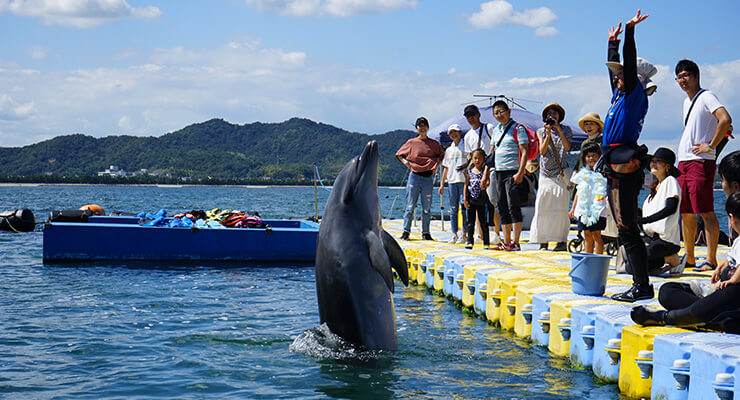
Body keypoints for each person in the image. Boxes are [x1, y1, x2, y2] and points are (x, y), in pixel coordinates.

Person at [631, 192, 740, 333]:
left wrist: (733, 280)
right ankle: (713, 319)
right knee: (667, 291)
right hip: (724, 303)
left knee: (733, 292)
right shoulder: (737, 241)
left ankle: (664, 317)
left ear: (731, 219)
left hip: (733, 296)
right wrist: (725, 264)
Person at [600, 10, 653, 302]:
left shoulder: (634, 93)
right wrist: (611, 42)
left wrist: (630, 34)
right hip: (615, 162)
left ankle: (641, 286)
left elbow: (628, 66)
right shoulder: (618, 96)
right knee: (625, 227)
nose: (618, 76)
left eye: (622, 74)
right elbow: (613, 71)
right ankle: (640, 284)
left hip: (623, 165)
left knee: (627, 228)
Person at [674, 59, 734, 272]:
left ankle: (710, 259)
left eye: (686, 75)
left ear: (696, 76)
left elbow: (725, 119)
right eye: (679, 77)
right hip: (684, 161)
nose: (682, 80)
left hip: (701, 161)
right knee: (686, 212)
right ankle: (689, 257)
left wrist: (710, 146)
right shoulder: (686, 102)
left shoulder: (706, 96)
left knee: (706, 210)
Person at [530, 103, 572, 251]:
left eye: (555, 114)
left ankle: (561, 240)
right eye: (549, 114)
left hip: (560, 174)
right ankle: (543, 240)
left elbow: (567, 147)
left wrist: (559, 130)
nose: (552, 116)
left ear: (559, 116)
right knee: (543, 206)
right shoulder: (540, 131)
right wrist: (548, 134)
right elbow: (542, 151)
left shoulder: (566, 130)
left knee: (560, 207)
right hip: (545, 173)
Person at [396, 117, 445, 241]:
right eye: (420, 126)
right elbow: (399, 154)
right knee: (410, 206)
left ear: (428, 127)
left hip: (428, 177)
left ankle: (426, 232)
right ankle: (406, 231)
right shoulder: (412, 142)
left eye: (424, 126)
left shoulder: (433, 144)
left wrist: (436, 166)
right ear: (416, 128)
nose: (422, 128)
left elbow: (442, 155)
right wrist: (406, 162)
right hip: (414, 176)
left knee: (426, 207)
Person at [491, 100, 529, 251]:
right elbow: (492, 152)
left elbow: (525, 151)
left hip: (513, 171)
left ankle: (516, 242)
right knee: (502, 206)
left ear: (509, 111)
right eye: (496, 113)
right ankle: (506, 241)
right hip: (499, 171)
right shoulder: (496, 130)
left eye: (502, 111)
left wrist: (520, 172)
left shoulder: (518, 128)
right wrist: (487, 173)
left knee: (514, 206)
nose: (499, 115)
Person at [639, 148, 682, 275]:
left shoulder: (670, 181)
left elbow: (670, 208)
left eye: (658, 161)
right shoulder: (654, 189)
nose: (653, 164)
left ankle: (671, 258)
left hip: (666, 240)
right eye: (652, 161)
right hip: (651, 238)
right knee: (633, 266)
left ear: (667, 166)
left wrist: (646, 220)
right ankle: (663, 260)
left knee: (637, 261)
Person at [463, 104, 502, 245]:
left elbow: (496, 146)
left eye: (473, 115)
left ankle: (497, 233)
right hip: (475, 172)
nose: (471, 118)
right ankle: (480, 234)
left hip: (491, 168)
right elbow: (469, 156)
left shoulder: (489, 128)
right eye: (468, 116)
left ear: (478, 114)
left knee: (493, 202)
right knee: (477, 203)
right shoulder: (467, 136)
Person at [569, 143, 607, 254]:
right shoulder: (581, 174)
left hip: (597, 209)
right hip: (584, 209)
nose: (591, 158)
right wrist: (572, 209)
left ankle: (598, 259)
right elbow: (578, 192)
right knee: (587, 235)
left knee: (596, 234)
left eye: (594, 155)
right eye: (588, 156)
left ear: (599, 156)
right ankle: (588, 258)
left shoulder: (603, 173)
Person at [439, 124, 468, 244]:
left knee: (464, 207)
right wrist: (441, 184)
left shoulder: (466, 146)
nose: (454, 134)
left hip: (463, 181)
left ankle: (464, 234)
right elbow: (446, 167)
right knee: (453, 209)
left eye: (456, 132)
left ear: (460, 133)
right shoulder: (449, 150)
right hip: (451, 181)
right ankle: (454, 233)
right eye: (451, 132)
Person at [464, 149, 491, 249]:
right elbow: (466, 185)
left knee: (483, 222)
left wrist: (487, 182)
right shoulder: (469, 171)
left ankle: (486, 242)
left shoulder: (485, 172)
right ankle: (469, 241)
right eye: (475, 158)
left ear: (484, 159)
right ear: (472, 159)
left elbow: (488, 181)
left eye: (479, 158)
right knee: (470, 222)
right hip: (471, 199)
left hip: (482, 200)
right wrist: (465, 199)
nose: (477, 160)